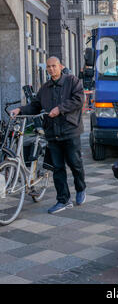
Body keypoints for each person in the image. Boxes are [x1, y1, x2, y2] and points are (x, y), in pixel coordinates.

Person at [10, 56, 86, 214]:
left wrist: (60, 108)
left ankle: (80, 188)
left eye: (54, 66)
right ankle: (63, 200)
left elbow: (79, 99)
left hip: (70, 131)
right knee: (57, 168)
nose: (51, 69)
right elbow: (36, 105)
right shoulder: (45, 88)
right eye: (49, 67)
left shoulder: (73, 81)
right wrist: (20, 110)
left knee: (75, 163)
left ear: (60, 66)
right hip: (52, 133)